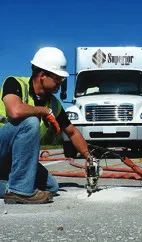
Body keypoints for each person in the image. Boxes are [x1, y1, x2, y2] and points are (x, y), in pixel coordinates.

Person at [0, 47, 91, 204]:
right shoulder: (15, 83)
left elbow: (72, 132)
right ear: (42, 75)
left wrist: (89, 158)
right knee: (30, 121)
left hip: (14, 160)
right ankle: (20, 191)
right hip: (2, 149)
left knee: (51, 187)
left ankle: (14, 188)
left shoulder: (54, 104)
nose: (61, 84)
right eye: (58, 79)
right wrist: (43, 111)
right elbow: (15, 111)